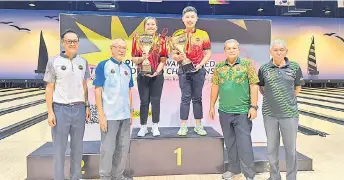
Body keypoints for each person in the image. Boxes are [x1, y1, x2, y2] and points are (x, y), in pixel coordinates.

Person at [44, 29, 91, 180]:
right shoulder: (54, 61)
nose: (72, 44)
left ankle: (75, 177)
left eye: (75, 41)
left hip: (79, 108)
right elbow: (49, 88)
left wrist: (87, 105)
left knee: (77, 149)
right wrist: (50, 112)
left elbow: (84, 86)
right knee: (59, 150)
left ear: (78, 43)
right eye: (69, 41)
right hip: (60, 109)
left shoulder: (83, 62)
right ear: (63, 43)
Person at [209, 39, 258, 180]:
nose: (231, 50)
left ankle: (249, 174)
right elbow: (215, 86)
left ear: (239, 50)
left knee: (244, 144)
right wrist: (211, 105)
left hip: (242, 112)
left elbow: (254, 86)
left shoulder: (247, 64)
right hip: (224, 111)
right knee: (230, 143)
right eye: (228, 48)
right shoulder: (219, 66)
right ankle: (233, 170)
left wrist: (253, 107)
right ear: (224, 51)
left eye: (234, 48)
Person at [258, 39, 304, 180]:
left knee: (290, 149)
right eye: (276, 50)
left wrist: (286, 101)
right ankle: (274, 176)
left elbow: (297, 88)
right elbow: (262, 88)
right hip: (269, 114)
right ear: (270, 52)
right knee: (272, 149)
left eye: (281, 49)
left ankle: (291, 177)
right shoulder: (264, 68)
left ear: (286, 51)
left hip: (289, 114)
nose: (278, 52)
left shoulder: (295, 67)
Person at [93, 38, 134, 180]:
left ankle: (118, 176)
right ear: (112, 48)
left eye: (124, 48)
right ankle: (105, 177)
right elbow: (97, 90)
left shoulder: (127, 68)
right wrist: (101, 115)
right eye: (119, 47)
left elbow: (129, 91)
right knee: (107, 149)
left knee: (122, 148)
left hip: (125, 115)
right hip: (109, 116)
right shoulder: (103, 65)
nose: (122, 50)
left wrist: (130, 112)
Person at [172, 6, 212, 136]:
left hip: (198, 71)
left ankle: (198, 125)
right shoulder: (177, 35)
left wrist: (200, 64)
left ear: (196, 19)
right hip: (183, 70)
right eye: (187, 17)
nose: (190, 19)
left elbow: (208, 53)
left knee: (197, 98)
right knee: (185, 98)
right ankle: (183, 126)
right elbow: (174, 55)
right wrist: (179, 57)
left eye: (192, 17)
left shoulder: (203, 34)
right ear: (183, 19)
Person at [131, 17, 168, 137]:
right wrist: (143, 58)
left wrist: (156, 72)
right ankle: (143, 127)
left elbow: (163, 59)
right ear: (144, 27)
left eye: (153, 24)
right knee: (144, 102)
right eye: (148, 24)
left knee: (155, 101)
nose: (150, 26)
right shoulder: (137, 39)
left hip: (157, 75)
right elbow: (134, 59)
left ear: (156, 27)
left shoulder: (161, 40)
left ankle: (155, 126)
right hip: (142, 75)